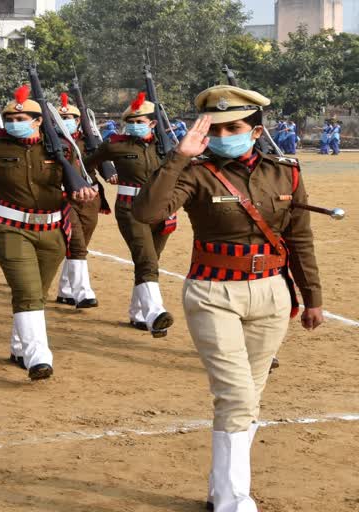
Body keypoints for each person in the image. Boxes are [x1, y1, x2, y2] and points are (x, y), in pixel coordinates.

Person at [132, 84, 323, 512]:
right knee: (237, 396)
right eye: (213, 128)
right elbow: (146, 214)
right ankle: (236, 498)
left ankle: (221, 492)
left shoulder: (285, 172)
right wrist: (180, 156)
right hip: (213, 292)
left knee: (248, 396)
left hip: (272, 294)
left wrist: (312, 297)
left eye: (231, 127)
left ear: (256, 132)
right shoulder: (194, 172)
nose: (220, 135)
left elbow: (299, 237)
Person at [0, 85, 97, 380]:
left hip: (52, 229)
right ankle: (38, 357)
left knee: (38, 294)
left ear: (38, 120)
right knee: (28, 292)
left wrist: (80, 194)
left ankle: (19, 347)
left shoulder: (63, 148)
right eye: (9, 119)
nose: (14, 123)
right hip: (10, 228)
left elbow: (76, 183)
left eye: (22, 118)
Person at [84, 92, 175, 337]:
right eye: (130, 122)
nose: (134, 126)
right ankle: (155, 313)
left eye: (140, 121)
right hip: (130, 208)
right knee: (147, 260)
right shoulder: (116, 144)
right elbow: (87, 163)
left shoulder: (168, 147)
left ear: (153, 123)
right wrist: (94, 181)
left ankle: (138, 314)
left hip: (162, 209)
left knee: (149, 260)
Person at [54, 92, 100, 309]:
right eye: (61, 119)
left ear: (78, 120)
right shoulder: (51, 143)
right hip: (65, 197)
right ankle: (83, 292)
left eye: (69, 118)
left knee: (80, 244)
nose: (65, 122)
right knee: (77, 244)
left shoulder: (90, 141)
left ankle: (65, 290)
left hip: (91, 198)